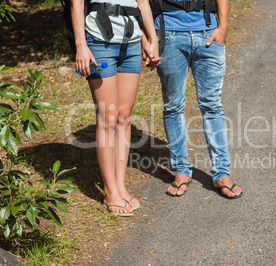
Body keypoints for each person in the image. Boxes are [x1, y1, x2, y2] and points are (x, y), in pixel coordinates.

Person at [142, 0, 243, 198]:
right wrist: (147, 40)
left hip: (208, 33)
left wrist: (223, 26)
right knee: (173, 106)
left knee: (212, 105)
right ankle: (181, 170)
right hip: (167, 34)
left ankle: (221, 173)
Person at [71, 0, 160, 215]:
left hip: (131, 43)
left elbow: (142, 3)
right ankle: (110, 191)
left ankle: (121, 186)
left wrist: (152, 39)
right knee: (108, 118)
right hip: (99, 41)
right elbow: (76, 4)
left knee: (124, 117)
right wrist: (81, 46)